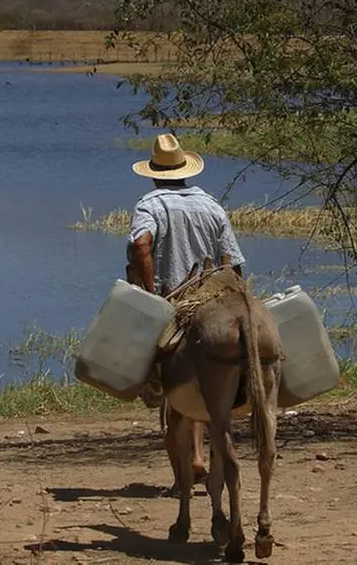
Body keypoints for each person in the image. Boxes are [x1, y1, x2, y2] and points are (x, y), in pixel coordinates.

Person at [126, 132, 245, 482]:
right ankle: (200, 455)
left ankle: (186, 473)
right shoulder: (211, 205)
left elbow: (140, 245)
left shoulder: (150, 205)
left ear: (153, 174)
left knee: (171, 387)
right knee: (210, 385)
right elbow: (234, 263)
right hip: (214, 302)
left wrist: (152, 294)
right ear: (185, 170)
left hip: (175, 301)